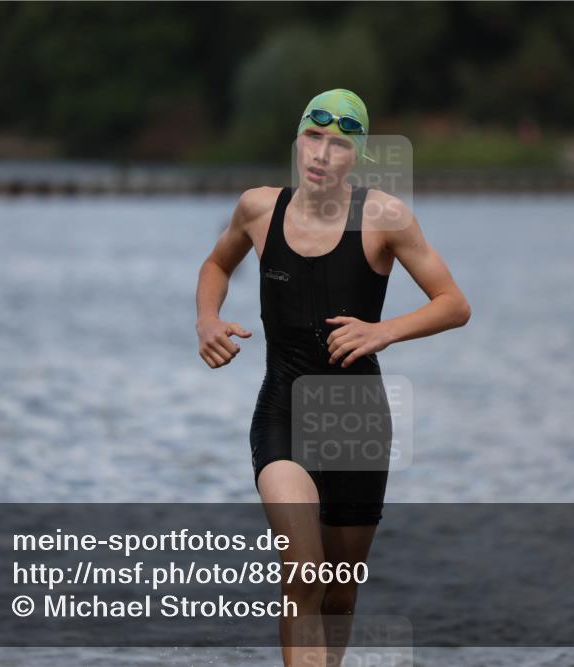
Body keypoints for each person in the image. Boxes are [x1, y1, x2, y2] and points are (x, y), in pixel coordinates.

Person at [195, 88, 471, 666]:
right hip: (283, 410)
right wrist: (207, 320)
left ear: (358, 155)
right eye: (312, 137)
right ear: (298, 139)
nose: (321, 154)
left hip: (357, 424)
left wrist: (383, 330)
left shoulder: (385, 218)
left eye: (339, 144)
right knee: (303, 567)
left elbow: (453, 303)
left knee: (339, 594)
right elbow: (218, 263)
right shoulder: (258, 209)